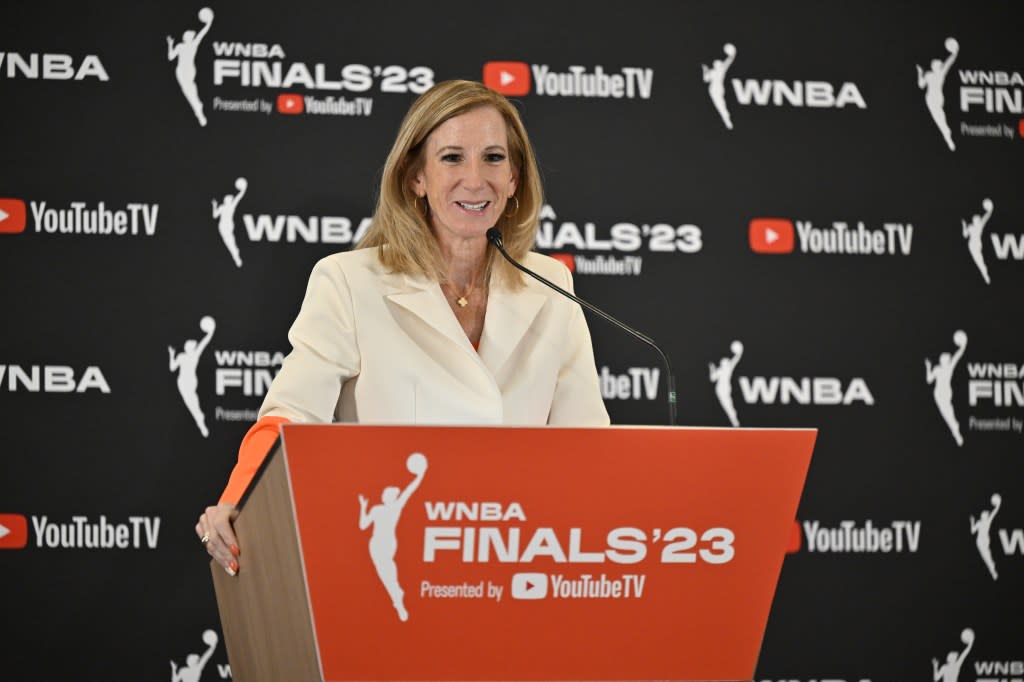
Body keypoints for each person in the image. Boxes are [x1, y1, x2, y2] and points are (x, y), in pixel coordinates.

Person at [196, 80, 610, 575]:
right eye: (453, 158)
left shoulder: (551, 284)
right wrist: (237, 501)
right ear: (416, 177)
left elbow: (589, 447)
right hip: (395, 561)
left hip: (516, 561)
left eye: (494, 158)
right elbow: (289, 417)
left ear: (516, 177)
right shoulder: (349, 281)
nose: (475, 180)